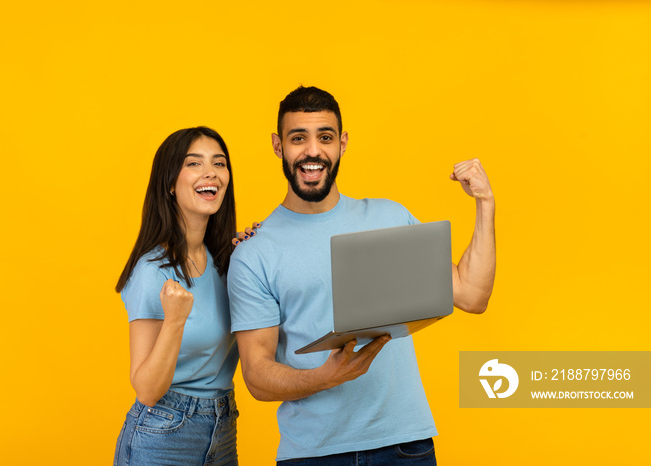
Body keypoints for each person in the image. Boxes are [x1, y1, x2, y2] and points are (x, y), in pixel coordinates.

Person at [227, 86, 496, 465]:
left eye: (325, 137)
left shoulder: (389, 218)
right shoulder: (254, 252)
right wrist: (326, 376)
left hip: (406, 447)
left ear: (343, 143)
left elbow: (472, 295)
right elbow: (256, 375)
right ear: (277, 146)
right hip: (314, 455)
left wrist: (484, 203)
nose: (312, 152)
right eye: (297, 138)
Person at [114, 126, 248, 466]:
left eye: (219, 163)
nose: (210, 173)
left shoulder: (226, 261)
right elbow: (146, 389)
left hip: (223, 427)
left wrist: (257, 260)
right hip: (163, 433)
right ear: (170, 184)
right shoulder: (152, 270)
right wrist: (175, 320)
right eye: (194, 163)